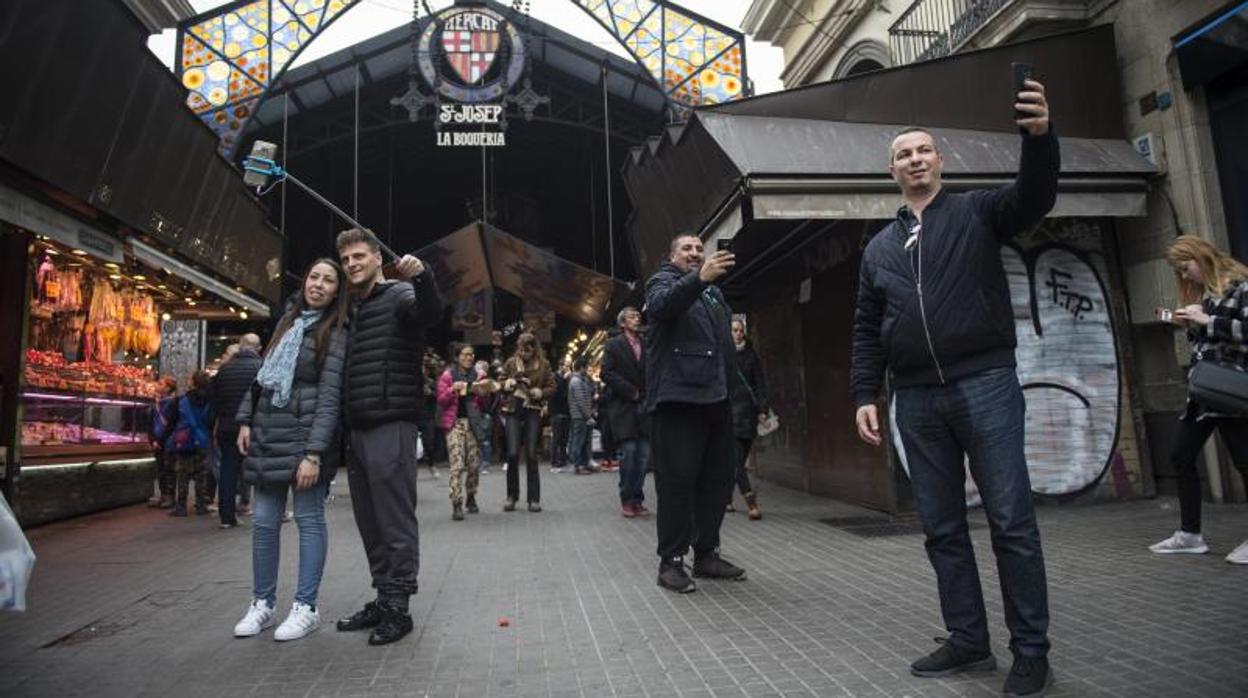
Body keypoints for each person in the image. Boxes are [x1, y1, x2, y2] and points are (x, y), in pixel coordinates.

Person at [849, 78, 1057, 696]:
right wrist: (866, 392)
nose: (915, 159)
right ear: (892, 171)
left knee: (1011, 521)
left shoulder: (977, 210)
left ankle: (1031, 651)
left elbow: (1035, 197)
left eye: (924, 150)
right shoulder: (879, 247)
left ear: (939, 161)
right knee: (940, 529)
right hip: (914, 398)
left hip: (986, 384)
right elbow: (866, 326)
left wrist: (1040, 141)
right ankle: (968, 640)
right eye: (903, 154)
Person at [334, 228, 443, 646]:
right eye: (346, 260)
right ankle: (384, 596)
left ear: (378, 258)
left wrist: (423, 277)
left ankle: (399, 607)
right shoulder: (352, 308)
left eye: (359, 256)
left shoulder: (398, 294)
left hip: (391, 422)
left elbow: (430, 315)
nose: (352, 265)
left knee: (394, 520)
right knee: (369, 522)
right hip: (358, 430)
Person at [232, 259, 349, 642]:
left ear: (337, 291)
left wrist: (314, 453)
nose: (318, 284)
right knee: (264, 524)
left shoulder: (336, 331)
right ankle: (262, 604)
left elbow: (330, 397)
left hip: (304, 441)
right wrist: (246, 419)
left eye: (328, 280)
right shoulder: (287, 322)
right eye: (314, 276)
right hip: (268, 435)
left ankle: (305, 607)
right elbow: (261, 378)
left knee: (309, 519)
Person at [644, 233, 745, 594]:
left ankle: (706, 554)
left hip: (716, 400)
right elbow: (660, 307)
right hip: (678, 400)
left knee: (717, 482)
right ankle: (670, 562)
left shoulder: (714, 294)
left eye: (700, 249)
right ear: (671, 256)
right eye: (686, 249)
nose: (695, 253)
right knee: (677, 484)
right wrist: (698, 276)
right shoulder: (663, 281)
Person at [1148, 235, 1248, 562]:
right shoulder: (1206, 294)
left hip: (1229, 390)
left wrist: (1210, 320)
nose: (1185, 275)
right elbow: (1206, 340)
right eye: (1179, 270)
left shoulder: (1240, 287)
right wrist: (1188, 322)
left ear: (1202, 256)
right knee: (1181, 456)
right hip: (1204, 393)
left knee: (1244, 462)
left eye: (1186, 266)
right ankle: (1190, 534)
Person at [601, 306, 650, 518]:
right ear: (622, 323)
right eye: (632, 316)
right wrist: (630, 391)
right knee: (629, 454)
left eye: (638, 315)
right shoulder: (613, 345)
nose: (637, 318)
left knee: (644, 456)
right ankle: (627, 498)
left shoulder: (647, 343)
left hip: (645, 406)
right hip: (623, 407)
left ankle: (637, 498)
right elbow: (606, 373)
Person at [499, 333, 556, 511]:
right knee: (512, 453)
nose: (524, 353)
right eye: (521, 349)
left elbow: (552, 386)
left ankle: (534, 499)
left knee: (531, 454)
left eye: (528, 350)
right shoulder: (510, 363)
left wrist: (541, 392)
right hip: (513, 410)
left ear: (534, 348)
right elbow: (499, 382)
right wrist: (506, 383)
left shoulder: (544, 364)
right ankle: (511, 496)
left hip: (532, 410)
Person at [212, 333, 262, 529]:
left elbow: (214, 400)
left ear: (240, 346)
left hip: (227, 427)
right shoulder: (261, 367)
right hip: (253, 427)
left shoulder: (224, 369)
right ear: (258, 348)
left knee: (228, 471)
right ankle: (268, 512)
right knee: (260, 469)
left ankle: (227, 516)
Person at [437, 344, 485, 521]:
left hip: (472, 424)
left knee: (473, 465)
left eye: (471, 355)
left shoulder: (479, 376)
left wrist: (482, 393)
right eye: (465, 355)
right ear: (457, 357)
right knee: (456, 465)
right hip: (454, 424)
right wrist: (452, 390)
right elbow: (441, 401)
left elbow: (483, 404)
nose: (469, 358)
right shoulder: (448, 375)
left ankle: (471, 496)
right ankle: (456, 503)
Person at [729, 318, 767, 521]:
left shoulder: (752, 356)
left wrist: (762, 409)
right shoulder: (724, 356)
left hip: (748, 415)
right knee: (736, 463)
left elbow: (759, 384)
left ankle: (726, 498)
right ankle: (751, 502)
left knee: (739, 460)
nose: (738, 333)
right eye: (734, 330)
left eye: (740, 330)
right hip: (729, 415)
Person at [166, 371, 215, 517]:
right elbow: (211, 420)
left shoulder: (183, 400)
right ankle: (201, 505)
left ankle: (181, 507)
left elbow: (173, 421)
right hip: (203, 439)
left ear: (193, 382)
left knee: (182, 473)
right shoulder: (210, 400)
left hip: (185, 439)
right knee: (201, 474)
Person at [148, 376, 178, 509]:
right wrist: (152, 439)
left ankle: (170, 496)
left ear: (168, 388)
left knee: (168, 469)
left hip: (168, 440)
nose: (157, 385)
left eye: (160, 384)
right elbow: (151, 422)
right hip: (157, 439)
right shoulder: (156, 403)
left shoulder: (172, 403)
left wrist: (160, 440)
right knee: (160, 469)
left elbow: (171, 424)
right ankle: (163, 494)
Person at [566, 356, 597, 475]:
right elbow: (581, 401)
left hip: (581, 416)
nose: (587, 370)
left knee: (582, 441)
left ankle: (583, 464)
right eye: (586, 367)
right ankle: (577, 465)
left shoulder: (580, 380)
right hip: (580, 416)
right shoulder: (576, 381)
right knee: (578, 441)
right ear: (582, 367)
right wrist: (588, 416)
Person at [549, 359, 572, 473]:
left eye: (569, 366)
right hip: (556, 412)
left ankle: (563, 461)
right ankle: (554, 462)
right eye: (566, 366)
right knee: (556, 438)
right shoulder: (554, 377)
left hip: (566, 412)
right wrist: (563, 379)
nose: (568, 369)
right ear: (560, 366)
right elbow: (555, 391)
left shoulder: (568, 379)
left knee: (564, 439)